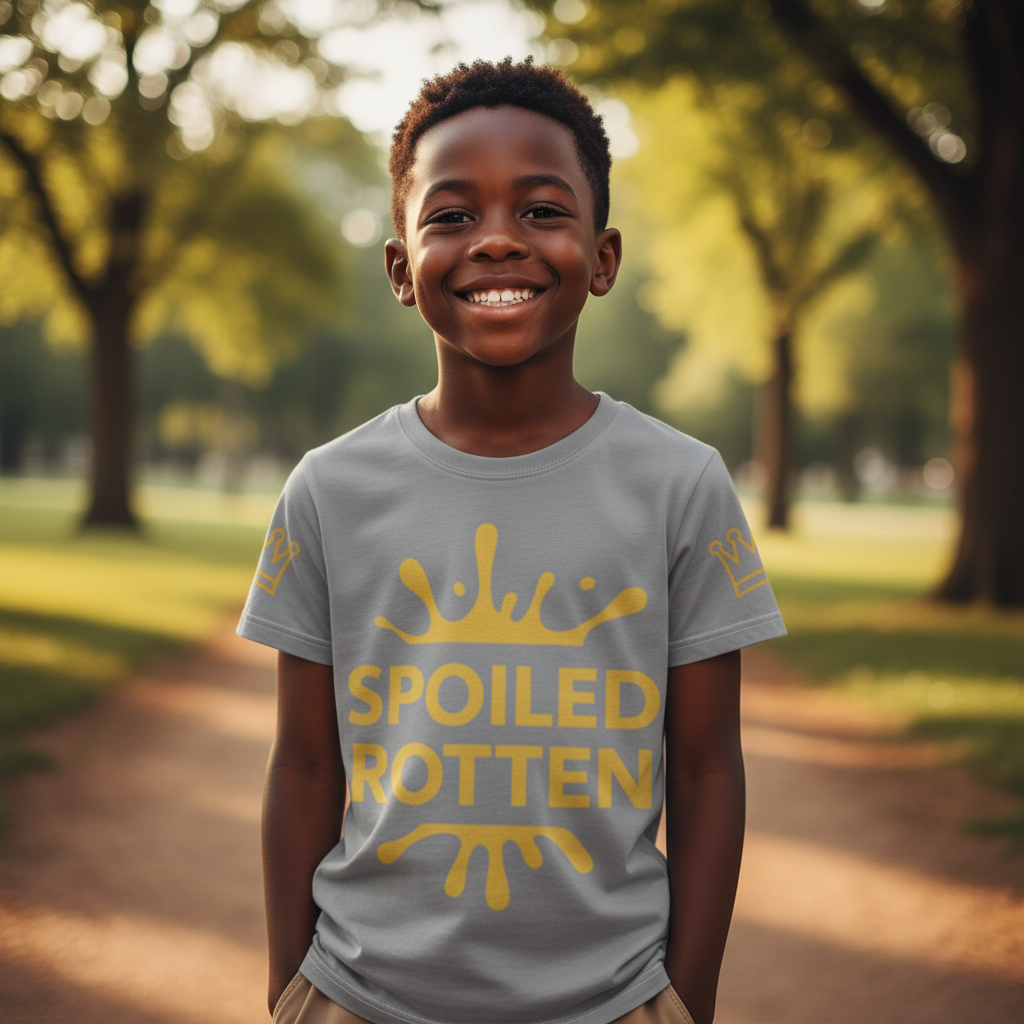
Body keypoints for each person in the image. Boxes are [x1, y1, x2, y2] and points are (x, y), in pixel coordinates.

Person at [238, 57, 785, 1024]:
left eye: (540, 211)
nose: (496, 241)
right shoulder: (328, 490)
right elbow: (305, 765)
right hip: (361, 996)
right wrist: (291, 989)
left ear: (603, 257)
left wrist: (684, 1000)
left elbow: (706, 768)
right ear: (403, 268)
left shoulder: (682, 485)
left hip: (614, 1000)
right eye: (451, 215)